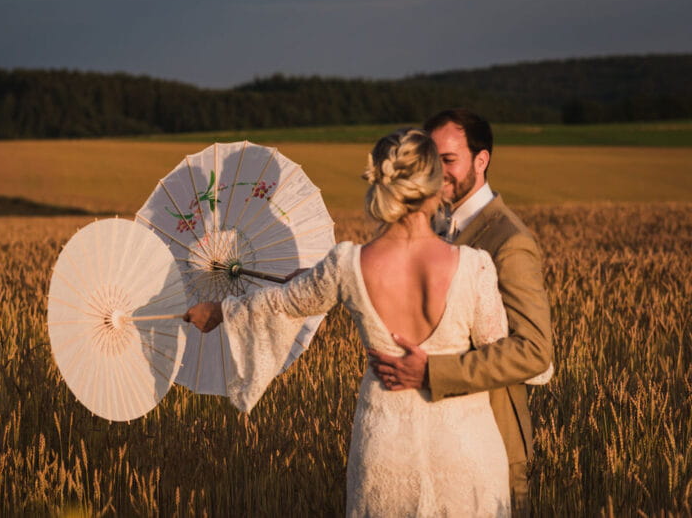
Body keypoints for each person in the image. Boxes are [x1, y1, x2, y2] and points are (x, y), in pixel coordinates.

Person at [185, 128, 549, 516]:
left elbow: (281, 304)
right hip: (468, 449)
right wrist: (440, 369)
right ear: (435, 186)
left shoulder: (346, 265)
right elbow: (501, 350)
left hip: (388, 449)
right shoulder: (475, 266)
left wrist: (220, 310)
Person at [369, 109, 554, 516]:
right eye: (433, 161)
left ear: (481, 160)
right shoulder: (432, 227)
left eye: (449, 160)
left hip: (493, 440)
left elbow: (535, 351)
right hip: (430, 442)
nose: (439, 172)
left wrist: (433, 372)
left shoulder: (509, 240)